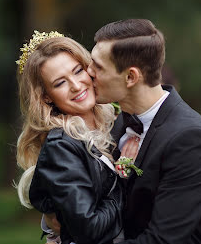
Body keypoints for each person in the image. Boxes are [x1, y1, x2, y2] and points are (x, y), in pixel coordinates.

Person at [86, 19, 201, 244]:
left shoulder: (191, 141)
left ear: (131, 77)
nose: (88, 72)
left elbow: (161, 240)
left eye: (98, 67)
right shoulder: (116, 122)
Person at [15, 31, 130, 244]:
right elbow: (89, 229)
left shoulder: (118, 119)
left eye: (78, 71)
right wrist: (125, 183)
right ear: (46, 97)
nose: (76, 85)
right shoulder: (61, 145)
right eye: (60, 83)